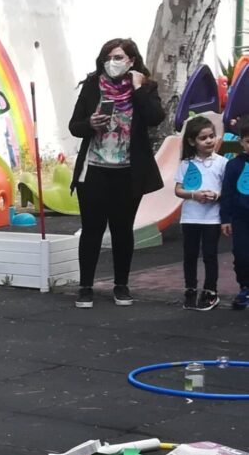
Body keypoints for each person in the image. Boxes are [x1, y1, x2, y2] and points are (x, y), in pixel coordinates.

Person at [69, 38, 165, 308]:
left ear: (131, 61)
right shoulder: (92, 85)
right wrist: (90, 123)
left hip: (128, 171)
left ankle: (121, 285)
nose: (112, 62)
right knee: (92, 229)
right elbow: (74, 126)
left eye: (119, 57)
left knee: (122, 230)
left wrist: (139, 88)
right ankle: (85, 287)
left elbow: (155, 118)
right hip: (94, 170)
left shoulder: (146, 87)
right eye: (108, 58)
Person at [174, 117, 227, 311]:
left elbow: (227, 191)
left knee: (210, 255)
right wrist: (194, 195)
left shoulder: (222, 163)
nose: (209, 141)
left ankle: (210, 291)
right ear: (191, 141)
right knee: (190, 255)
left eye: (211, 136)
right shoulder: (186, 163)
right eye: (203, 138)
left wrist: (216, 195)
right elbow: (178, 190)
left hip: (212, 219)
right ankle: (190, 289)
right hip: (190, 217)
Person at [220, 115, 249, 310]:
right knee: (241, 254)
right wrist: (226, 219)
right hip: (240, 218)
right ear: (241, 142)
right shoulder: (233, 165)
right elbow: (227, 193)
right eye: (248, 141)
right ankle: (245, 287)